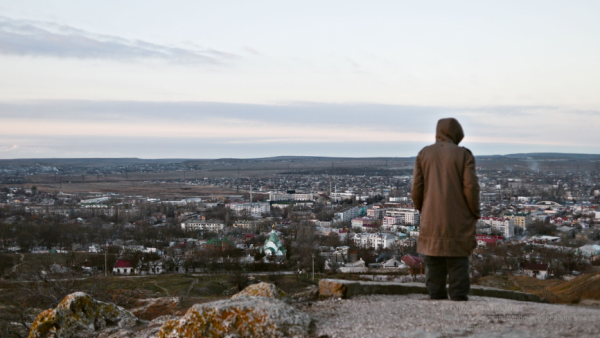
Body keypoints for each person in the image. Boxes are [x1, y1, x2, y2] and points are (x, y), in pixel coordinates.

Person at [411, 118, 480, 301]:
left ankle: (436, 296)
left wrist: (424, 210)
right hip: (458, 217)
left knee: (433, 257)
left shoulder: (424, 154)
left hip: (431, 216)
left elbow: (416, 189)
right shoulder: (464, 154)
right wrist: (474, 212)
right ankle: (458, 296)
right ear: (457, 134)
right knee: (458, 257)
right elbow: (471, 187)